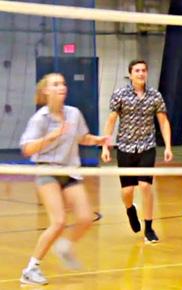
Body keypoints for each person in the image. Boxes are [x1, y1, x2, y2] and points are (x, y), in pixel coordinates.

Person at [19, 73, 110, 285]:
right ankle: (31, 269)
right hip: (47, 170)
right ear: (46, 91)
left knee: (86, 218)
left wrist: (98, 140)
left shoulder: (74, 114)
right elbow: (26, 149)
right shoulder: (39, 119)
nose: (62, 87)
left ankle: (66, 246)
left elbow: (82, 137)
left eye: (63, 83)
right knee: (58, 221)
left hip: (70, 170)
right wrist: (50, 137)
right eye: (55, 84)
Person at [101, 59, 173, 243]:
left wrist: (168, 146)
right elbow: (111, 121)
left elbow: (163, 122)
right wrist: (105, 146)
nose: (141, 73)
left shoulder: (155, 96)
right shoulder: (120, 94)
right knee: (127, 192)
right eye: (137, 70)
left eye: (143, 70)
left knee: (146, 186)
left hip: (147, 147)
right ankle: (130, 209)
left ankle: (149, 229)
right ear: (130, 74)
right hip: (125, 147)